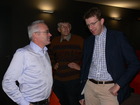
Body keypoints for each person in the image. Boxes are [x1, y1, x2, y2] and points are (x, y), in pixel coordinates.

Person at [79, 7, 140, 105]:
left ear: (102, 21)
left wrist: (119, 84)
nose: (90, 28)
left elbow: (135, 64)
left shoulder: (118, 37)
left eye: (93, 23)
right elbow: (85, 67)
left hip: (109, 89)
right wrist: (81, 93)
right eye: (88, 25)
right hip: (89, 87)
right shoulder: (88, 41)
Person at [2, 20, 53, 105]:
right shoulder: (23, 53)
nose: (50, 34)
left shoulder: (45, 52)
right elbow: (7, 82)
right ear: (35, 35)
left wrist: (47, 96)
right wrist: (25, 103)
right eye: (47, 32)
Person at [49, 20, 84, 105]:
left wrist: (80, 67)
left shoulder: (79, 40)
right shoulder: (54, 41)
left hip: (73, 79)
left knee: (73, 102)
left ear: (70, 28)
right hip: (58, 79)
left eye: (68, 26)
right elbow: (50, 55)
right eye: (63, 27)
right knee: (61, 102)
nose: (66, 29)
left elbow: (88, 57)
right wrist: (53, 64)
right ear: (59, 29)